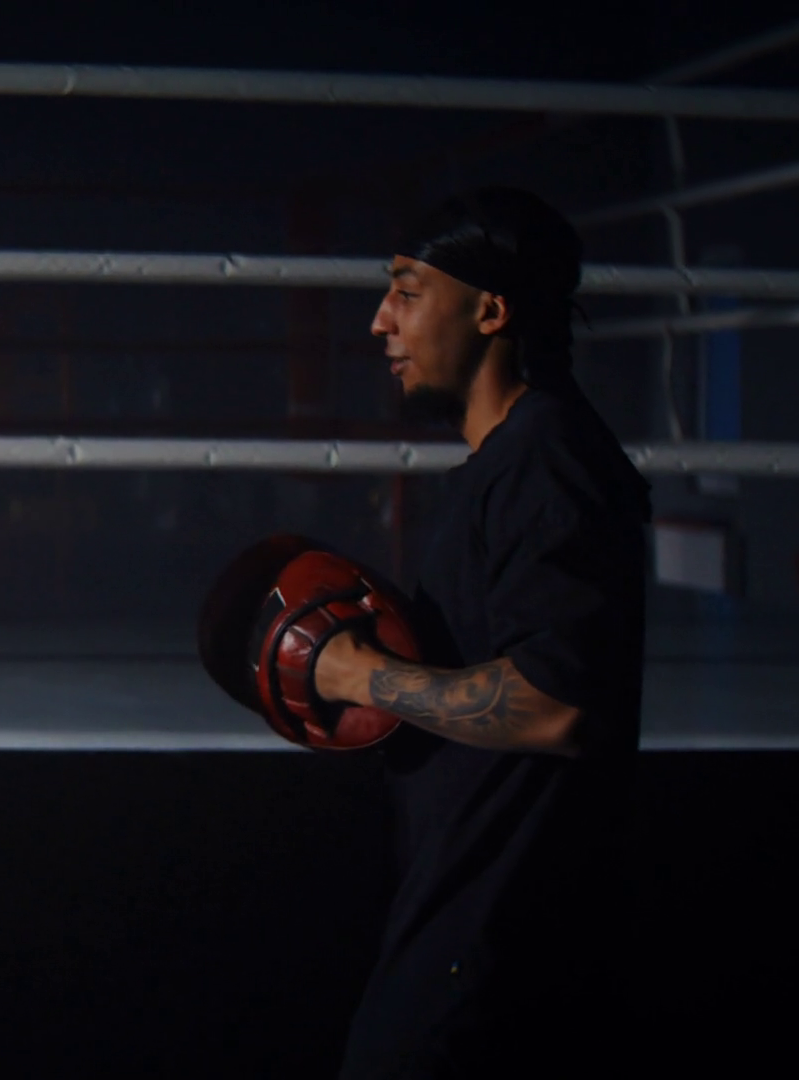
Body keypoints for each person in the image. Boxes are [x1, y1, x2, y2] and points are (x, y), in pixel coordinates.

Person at [311, 187, 651, 1077]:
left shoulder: (546, 460)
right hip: (478, 920)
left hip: (493, 946)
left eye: (408, 292)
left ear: (491, 311)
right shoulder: (517, 459)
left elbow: (556, 703)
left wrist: (357, 675)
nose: (382, 321)